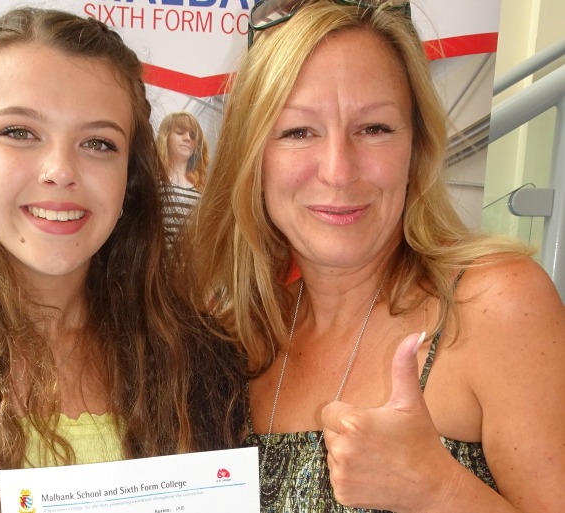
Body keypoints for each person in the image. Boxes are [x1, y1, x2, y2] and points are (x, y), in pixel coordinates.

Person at [186, 0, 565, 511]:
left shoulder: (496, 303)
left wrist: (440, 489)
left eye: (374, 129)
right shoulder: (235, 335)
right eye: (299, 132)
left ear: (417, 146)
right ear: (253, 158)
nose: (339, 171)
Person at [0, 8, 245, 513]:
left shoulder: (205, 368)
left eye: (97, 143)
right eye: (19, 132)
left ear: (128, 181)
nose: (60, 170)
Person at [156, 112, 209, 248]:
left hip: (189, 267)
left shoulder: (201, 190)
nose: (187, 139)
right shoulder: (152, 181)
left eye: (192, 135)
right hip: (154, 266)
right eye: (180, 132)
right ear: (166, 136)